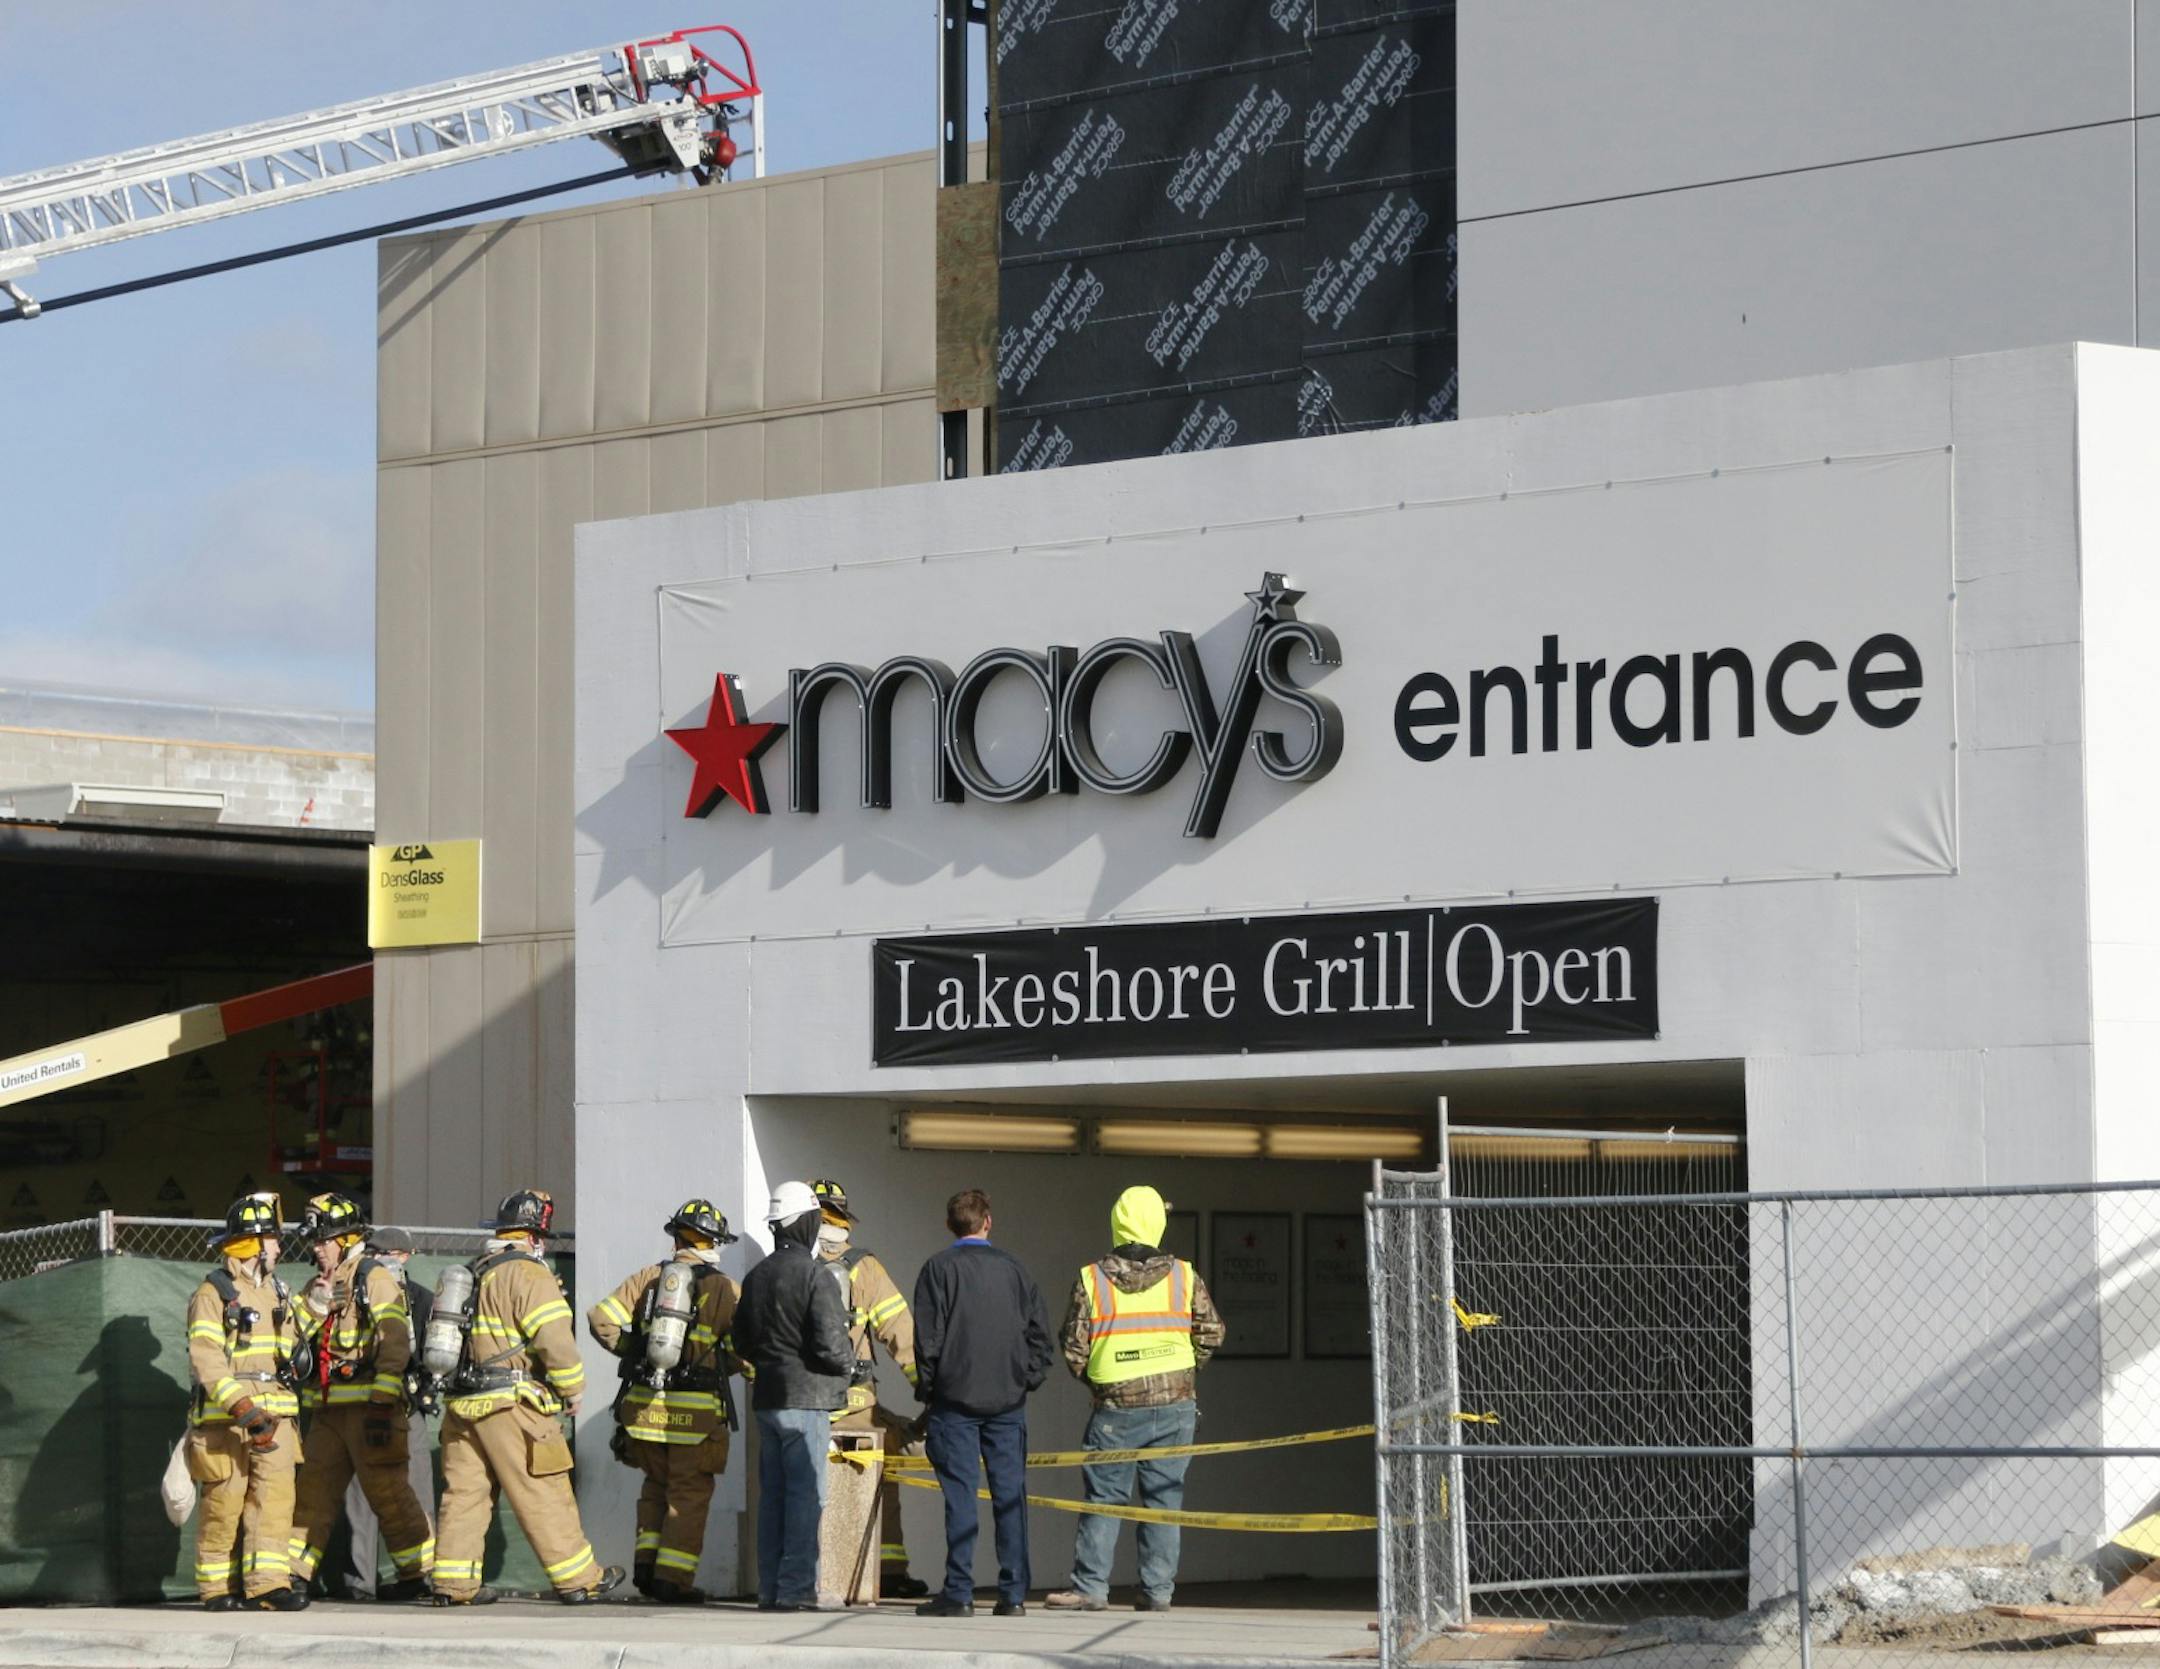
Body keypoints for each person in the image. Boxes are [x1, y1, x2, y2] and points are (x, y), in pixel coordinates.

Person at [430, 1189, 623, 1605]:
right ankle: (579, 1581)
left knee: (464, 1496)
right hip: (510, 1405)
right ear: (537, 1236)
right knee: (544, 1490)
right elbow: (554, 1339)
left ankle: (452, 1584)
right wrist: (572, 1389)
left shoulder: (473, 1271)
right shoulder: (529, 1274)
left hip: (462, 1406)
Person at [1045, 1184, 1227, 1614]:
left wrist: (1100, 1380)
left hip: (1115, 1409)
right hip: (1175, 1406)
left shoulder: (1092, 1278)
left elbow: (1073, 1347)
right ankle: (1157, 1592)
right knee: (1165, 1500)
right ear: (1158, 1224)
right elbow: (1212, 1332)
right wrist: (1181, 1373)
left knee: (1104, 1499)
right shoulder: (1185, 1275)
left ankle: (1090, 1588)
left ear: (1117, 1222)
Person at [587, 1197, 742, 1603]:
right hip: (697, 1419)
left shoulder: (647, 1278)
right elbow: (747, 1347)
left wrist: (634, 1350)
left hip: (645, 1412)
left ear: (677, 1238)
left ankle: (645, 1569)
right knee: (687, 1497)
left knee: (655, 1487)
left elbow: (598, 1318)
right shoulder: (726, 1288)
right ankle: (672, 1581)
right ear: (713, 1242)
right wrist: (721, 1365)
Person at [285, 1193, 435, 1601]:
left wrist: (384, 1398)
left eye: (323, 1240)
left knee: (389, 1494)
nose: (316, 1249)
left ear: (347, 1239)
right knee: (311, 1495)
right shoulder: (316, 1285)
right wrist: (312, 1305)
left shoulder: (374, 1278)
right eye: (314, 1242)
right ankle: (295, 1574)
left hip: (372, 1411)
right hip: (328, 1413)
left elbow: (395, 1339)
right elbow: (290, 1343)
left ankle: (416, 1576)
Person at [910, 1188, 1051, 1619]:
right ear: (987, 1221)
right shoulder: (1015, 1270)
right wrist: (1024, 1380)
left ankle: (959, 1593)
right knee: (1011, 1497)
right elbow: (1039, 1337)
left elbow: (927, 1342)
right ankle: (1012, 1595)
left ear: (951, 1225)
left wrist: (931, 1391)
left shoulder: (938, 1270)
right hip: (1007, 1404)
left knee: (960, 1499)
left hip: (954, 1402)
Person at [731, 1179, 853, 1612]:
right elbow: (831, 1345)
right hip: (807, 1402)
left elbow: (740, 1341)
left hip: (767, 1400)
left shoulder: (756, 1275)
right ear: (807, 1223)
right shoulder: (816, 1274)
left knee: (775, 1497)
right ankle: (799, 1588)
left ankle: (771, 1588)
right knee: (807, 1497)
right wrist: (848, 1366)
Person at [182, 1193, 307, 1610]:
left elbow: (292, 1350)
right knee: (224, 1503)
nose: (279, 1248)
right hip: (228, 1422)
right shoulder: (212, 1293)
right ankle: (217, 1590)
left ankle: (268, 1586)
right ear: (255, 1245)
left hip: (276, 1416)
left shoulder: (280, 1292)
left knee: (274, 1501)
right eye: (273, 1240)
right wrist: (244, 1410)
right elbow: (206, 1359)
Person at [808, 1176, 929, 1598]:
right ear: (844, 1220)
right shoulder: (865, 1267)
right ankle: (889, 1571)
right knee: (878, 1479)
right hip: (856, 1400)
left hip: (803, 1401)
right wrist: (927, 1389)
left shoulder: (788, 1264)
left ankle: (812, 1572)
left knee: (805, 1484)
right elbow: (901, 1333)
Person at [336, 1226, 435, 1599]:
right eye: (374, 1252)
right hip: (367, 1402)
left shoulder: (423, 1299)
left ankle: (419, 1575)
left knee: (418, 1492)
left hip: (406, 1404)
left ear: (405, 1256)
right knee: (361, 1494)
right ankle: (361, 1582)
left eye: (387, 1253)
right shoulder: (351, 1292)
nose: (379, 1259)